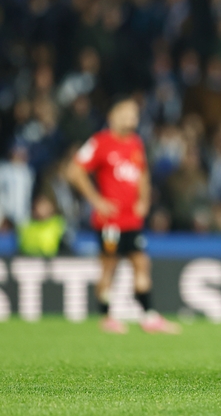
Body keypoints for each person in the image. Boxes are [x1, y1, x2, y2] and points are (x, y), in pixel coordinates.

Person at [66, 96, 180, 335]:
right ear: (112, 117)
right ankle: (107, 317)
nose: (132, 118)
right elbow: (74, 171)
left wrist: (143, 200)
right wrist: (97, 201)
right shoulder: (100, 142)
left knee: (141, 263)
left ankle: (148, 317)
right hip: (110, 222)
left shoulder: (136, 143)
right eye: (126, 113)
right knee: (110, 266)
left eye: (134, 114)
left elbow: (143, 175)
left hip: (132, 220)